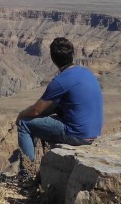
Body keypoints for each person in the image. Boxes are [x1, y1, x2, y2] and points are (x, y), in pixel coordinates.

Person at [16, 36, 103, 179]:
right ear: (71, 55)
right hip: (94, 132)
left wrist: (21, 115)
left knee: (25, 124)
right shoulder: (86, 72)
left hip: (78, 135)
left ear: (52, 58)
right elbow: (57, 107)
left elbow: (36, 110)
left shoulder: (60, 81)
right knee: (47, 119)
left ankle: (27, 174)